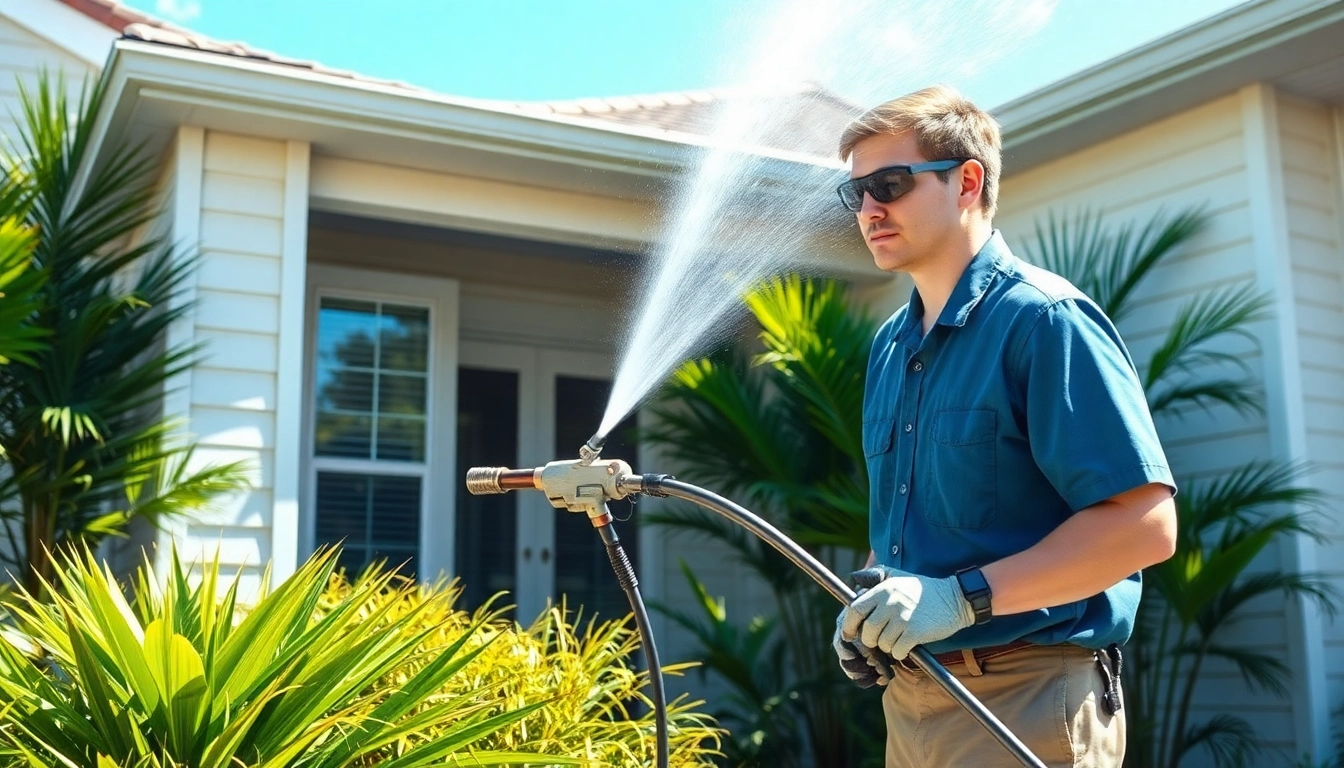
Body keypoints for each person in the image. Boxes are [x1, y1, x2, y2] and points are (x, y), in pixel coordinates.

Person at [830, 85, 1178, 768]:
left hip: (1029, 699)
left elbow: (1146, 526)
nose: (869, 209)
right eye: (857, 194)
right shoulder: (891, 346)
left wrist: (958, 602)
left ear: (966, 182)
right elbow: (920, 529)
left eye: (890, 184)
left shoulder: (1045, 321)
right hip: (913, 702)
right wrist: (872, 600)